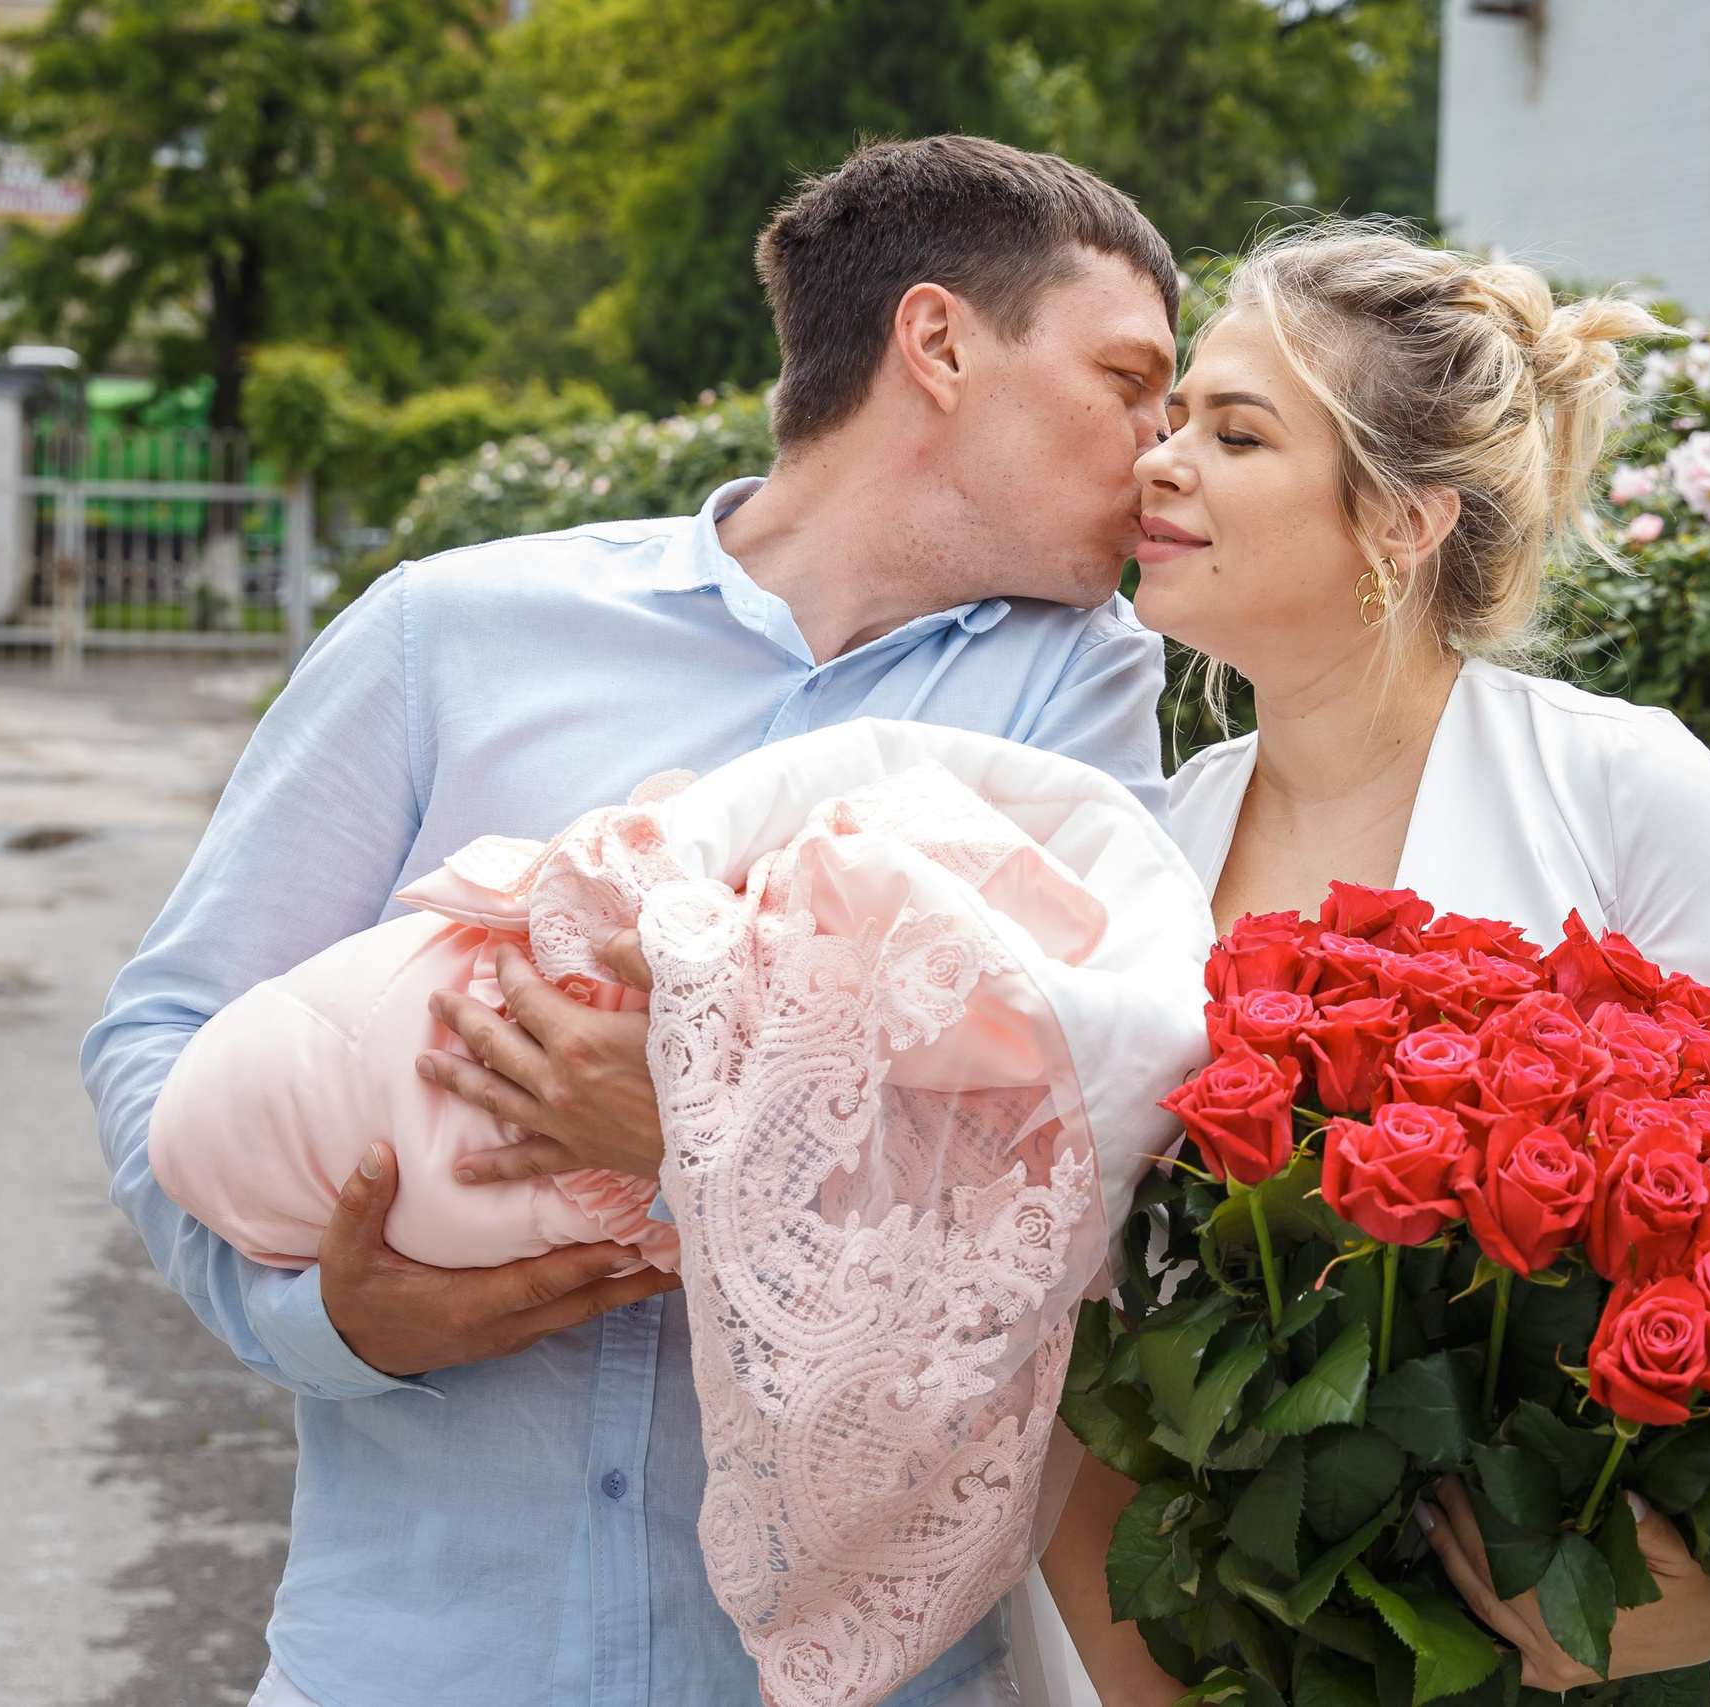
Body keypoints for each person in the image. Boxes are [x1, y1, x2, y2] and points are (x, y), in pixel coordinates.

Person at [82, 135, 1185, 1707]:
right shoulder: (445, 635)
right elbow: (163, 1035)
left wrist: (709, 1127)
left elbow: (1083, 1129)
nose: (1162, 450)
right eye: (1132, 380)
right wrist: (322, 1316)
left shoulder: (1075, 696)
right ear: (938, 345)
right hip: (419, 1661)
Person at [1030, 224, 1710, 1705]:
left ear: (1402, 519)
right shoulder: (1147, 847)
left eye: (1233, 432)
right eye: (1172, 416)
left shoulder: (1620, 790)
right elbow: (1079, 1320)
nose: (1159, 462)